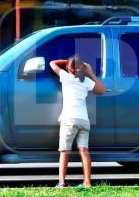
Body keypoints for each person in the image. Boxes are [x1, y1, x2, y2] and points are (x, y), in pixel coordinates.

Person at [50, 54, 105, 189]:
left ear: (69, 69)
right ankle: (87, 182)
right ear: (82, 68)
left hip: (69, 119)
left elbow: (52, 63)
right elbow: (102, 90)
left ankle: (62, 183)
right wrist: (90, 72)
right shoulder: (86, 81)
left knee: (65, 152)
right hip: (84, 120)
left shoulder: (66, 76)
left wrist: (68, 62)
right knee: (84, 152)